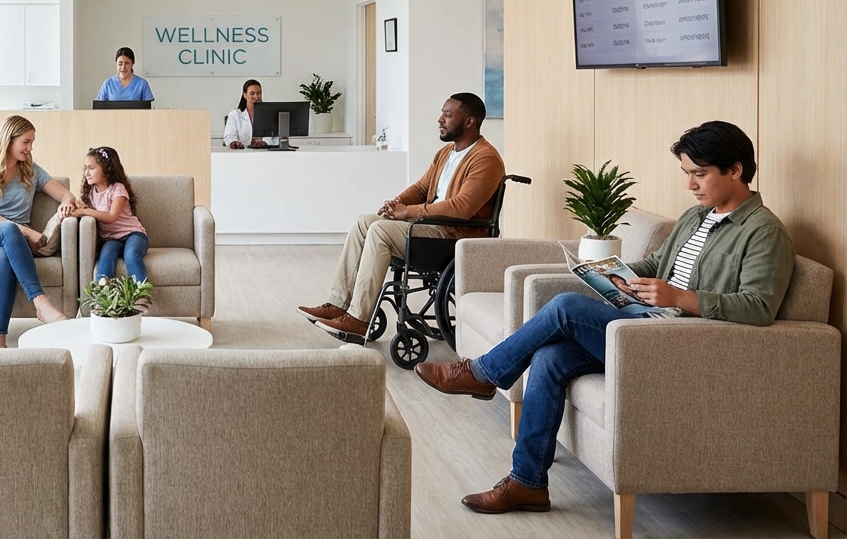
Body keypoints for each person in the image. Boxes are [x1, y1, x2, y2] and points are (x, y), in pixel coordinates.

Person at [416, 121, 794, 515]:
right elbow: (657, 265)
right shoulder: (695, 217)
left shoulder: (763, 231)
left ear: (735, 170)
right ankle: (527, 483)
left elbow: (758, 306)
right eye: (687, 174)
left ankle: (483, 374)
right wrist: (615, 273)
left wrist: (681, 297)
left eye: (699, 174)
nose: (691, 185)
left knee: (565, 306)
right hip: (645, 327)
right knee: (550, 358)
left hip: (683, 345)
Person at [298, 93, 506, 338]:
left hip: (453, 234)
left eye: (448, 115)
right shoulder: (446, 153)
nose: (440, 120)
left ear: (470, 121)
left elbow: (462, 208)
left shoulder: (485, 158)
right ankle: (338, 303)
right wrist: (396, 203)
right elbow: (421, 188)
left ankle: (358, 318)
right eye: (442, 113)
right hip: (431, 225)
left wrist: (408, 212)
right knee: (363, 222)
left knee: (380, 231)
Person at [0, 115, 75, 348]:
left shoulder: (31, 171)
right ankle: (41, 302)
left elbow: (65, 193)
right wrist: (28, 232)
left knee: (3, 257)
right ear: (8, 140)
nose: (30, 147)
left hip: (10, 244)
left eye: (32, 142)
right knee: (9, 230)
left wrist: (66, 201)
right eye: (26, 141)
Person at [69, 146, 148, 282]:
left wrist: (85, 211)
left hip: (133, 234)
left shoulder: (118, 189)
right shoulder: (90, 193)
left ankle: (141, 294)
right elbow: (90, 210)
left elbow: (111, 216)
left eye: (91, 168)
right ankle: (102, 292)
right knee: (106, 255)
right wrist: (79, 205)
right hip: (111, 239)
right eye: (85, 168)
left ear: (107, 169)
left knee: (131, 255)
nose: (86, 173)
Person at [223, 79, 271, 149]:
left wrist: (263, 143)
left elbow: (273, 137)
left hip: (264, 153)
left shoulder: (268, 115)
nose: (256, 97)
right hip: (241, 154)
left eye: (258, 93)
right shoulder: (234, 115)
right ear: (245, 95)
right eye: (252, 93)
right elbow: (229, 136)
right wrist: (234, 143)